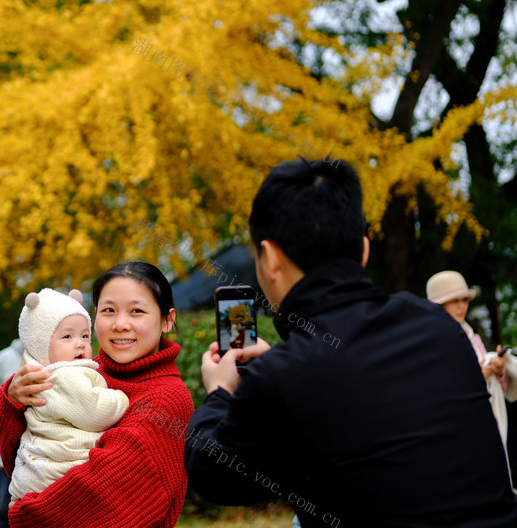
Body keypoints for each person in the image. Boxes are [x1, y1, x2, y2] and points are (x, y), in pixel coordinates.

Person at [185, 158, 517, 527]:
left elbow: (214, 473)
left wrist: (219, 393)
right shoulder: (437, 325)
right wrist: (282, 365)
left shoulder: (285, 377)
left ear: (271, 258)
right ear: (363, 250)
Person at [0, 262, 192, 527]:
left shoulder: (166, 399)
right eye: (109, 310)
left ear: (167, 320)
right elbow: (23, 455)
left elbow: (102, 492)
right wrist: (12, 398)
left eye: (137, 311)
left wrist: (24, 515)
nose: (121, 324)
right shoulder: (74, 372)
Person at [7, 288, 129, 505]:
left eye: (84, 335)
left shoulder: (41, 375)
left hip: (33, 470)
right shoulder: (66, 375)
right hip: (56, 469)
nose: (80, 343)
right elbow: (96, 412)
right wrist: (121, 398)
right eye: (67, 336)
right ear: (41, 344)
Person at [427, 271, 517, 459]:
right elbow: (436, 391)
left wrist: (498, 370)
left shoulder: (472, 337)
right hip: (453, 434)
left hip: (481, 421)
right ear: (439, 305)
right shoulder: (429, 342)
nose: (462, 306)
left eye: (465, 300)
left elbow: (493, 383)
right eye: (454, 300)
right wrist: (479, 375)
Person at [0, 338, 24, 528]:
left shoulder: (57, 352)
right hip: (7, 451)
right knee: (3, 508)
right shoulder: (4, 358)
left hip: (39, 451)